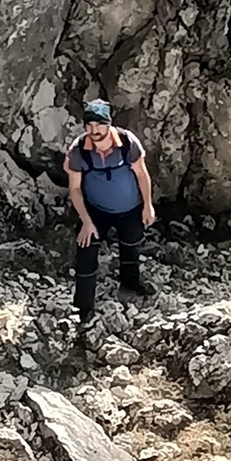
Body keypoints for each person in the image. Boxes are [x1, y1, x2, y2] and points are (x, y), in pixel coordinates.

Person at [65, 100, 156, 323]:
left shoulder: (127, 142)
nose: (94, 131)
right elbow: (75, 189)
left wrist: (148, 205)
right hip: (95, 211)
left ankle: (130, 282)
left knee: (131, 244)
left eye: (99, 125)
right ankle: (84, 308)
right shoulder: (78, 150)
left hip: (130, 208)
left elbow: (142, 175)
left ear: (109, 124)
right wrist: (86, 221)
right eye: (89, 125)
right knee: (86, 251)